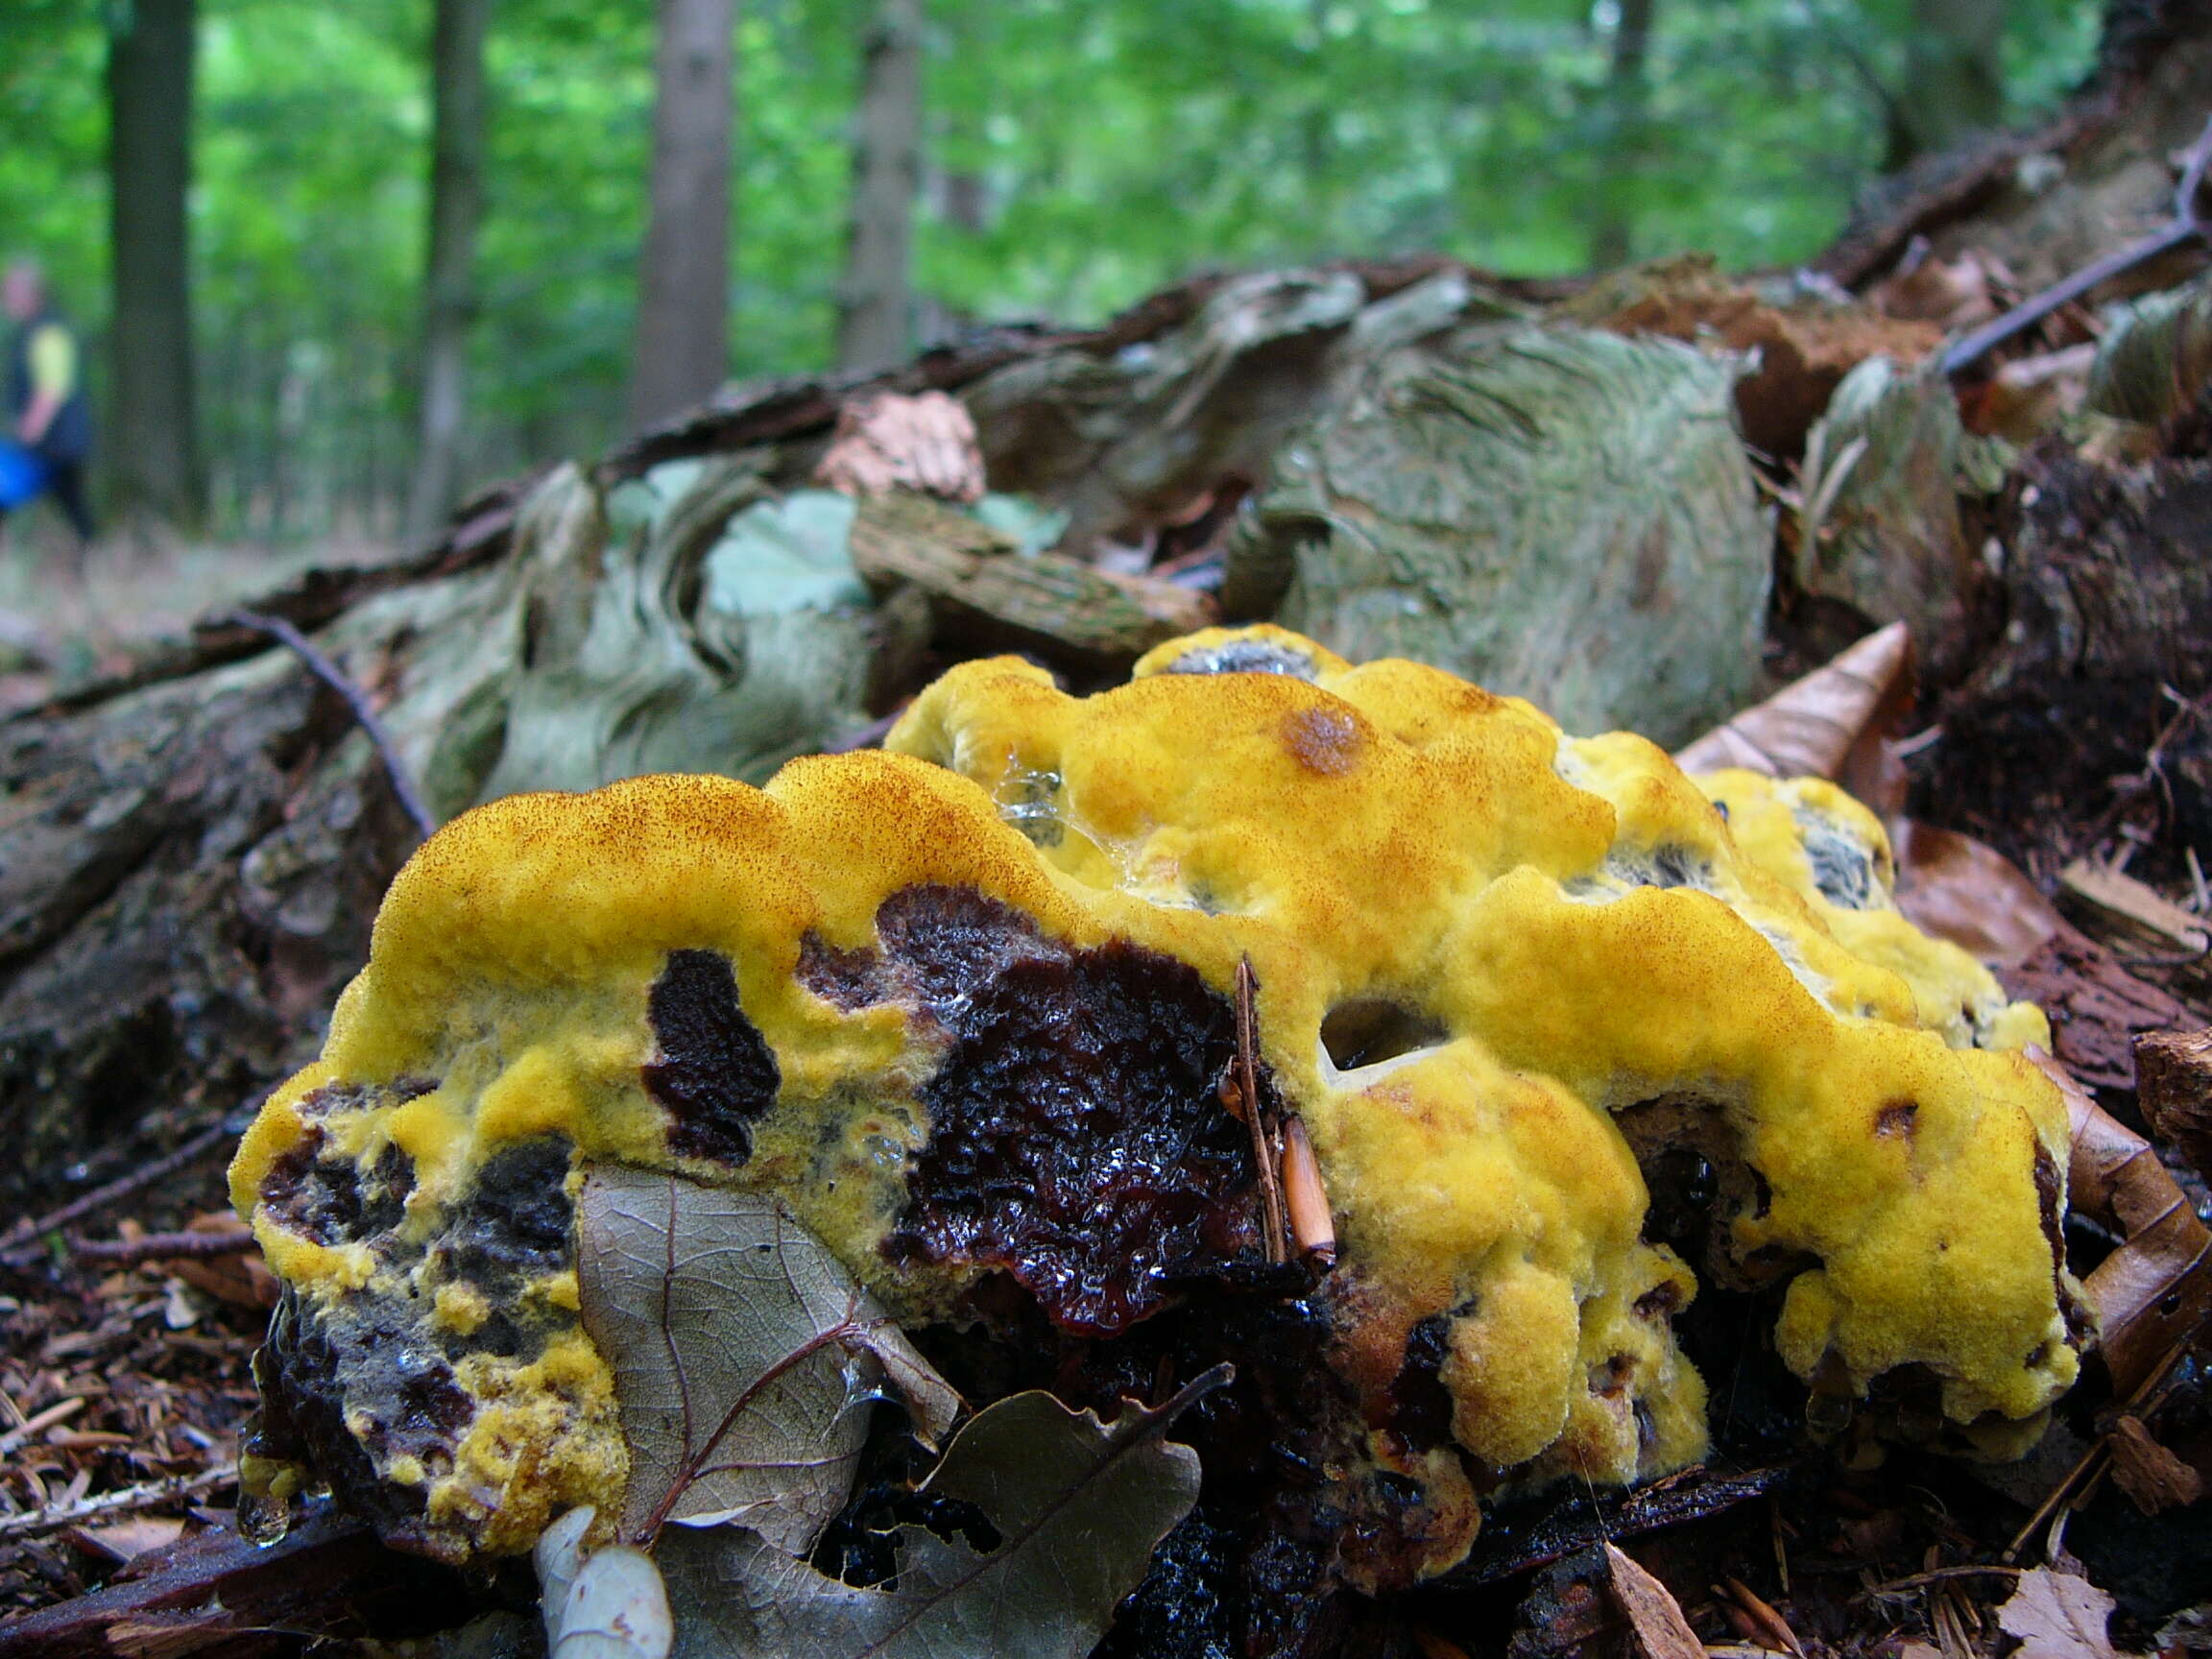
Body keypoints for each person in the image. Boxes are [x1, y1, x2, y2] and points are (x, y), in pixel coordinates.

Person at [2, 259, 95, 544]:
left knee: (72, 506)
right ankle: (93, 560)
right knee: (73, 507)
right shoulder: (31, 331)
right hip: (53, 445)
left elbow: (52, 389)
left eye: (10, 292)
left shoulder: (48, 333)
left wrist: (30, 432)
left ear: (31, 294)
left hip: (55, 446)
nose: (5, 299)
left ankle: (94, 561)